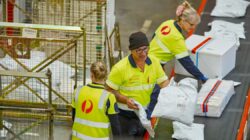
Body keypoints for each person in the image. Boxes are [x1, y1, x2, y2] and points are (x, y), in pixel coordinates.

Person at [106, 31, 169, 139]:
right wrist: (126, 100)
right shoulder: (120, 68)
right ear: (131, 51)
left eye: (145, 49)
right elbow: (109, 91)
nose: (143, 53)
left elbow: (163, 82)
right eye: (139, 50)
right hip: (124, 115)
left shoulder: (154, 62)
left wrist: (174, 94)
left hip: (143, 113)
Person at [149, 0, 208, 83]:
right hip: (154, 67)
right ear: (183, 20)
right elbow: (186, 62)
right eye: (191, 24)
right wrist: (201, 76)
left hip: (147, 59)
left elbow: (154, 37)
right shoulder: (177, 38)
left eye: (195, 25)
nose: (193, 28)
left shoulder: (168, 23)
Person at [71, 61, 121, 140]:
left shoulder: (78, 91)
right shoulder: (109, 97)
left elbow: (74, 117)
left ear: (91, 75)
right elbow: (115, 127)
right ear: (105, 76)